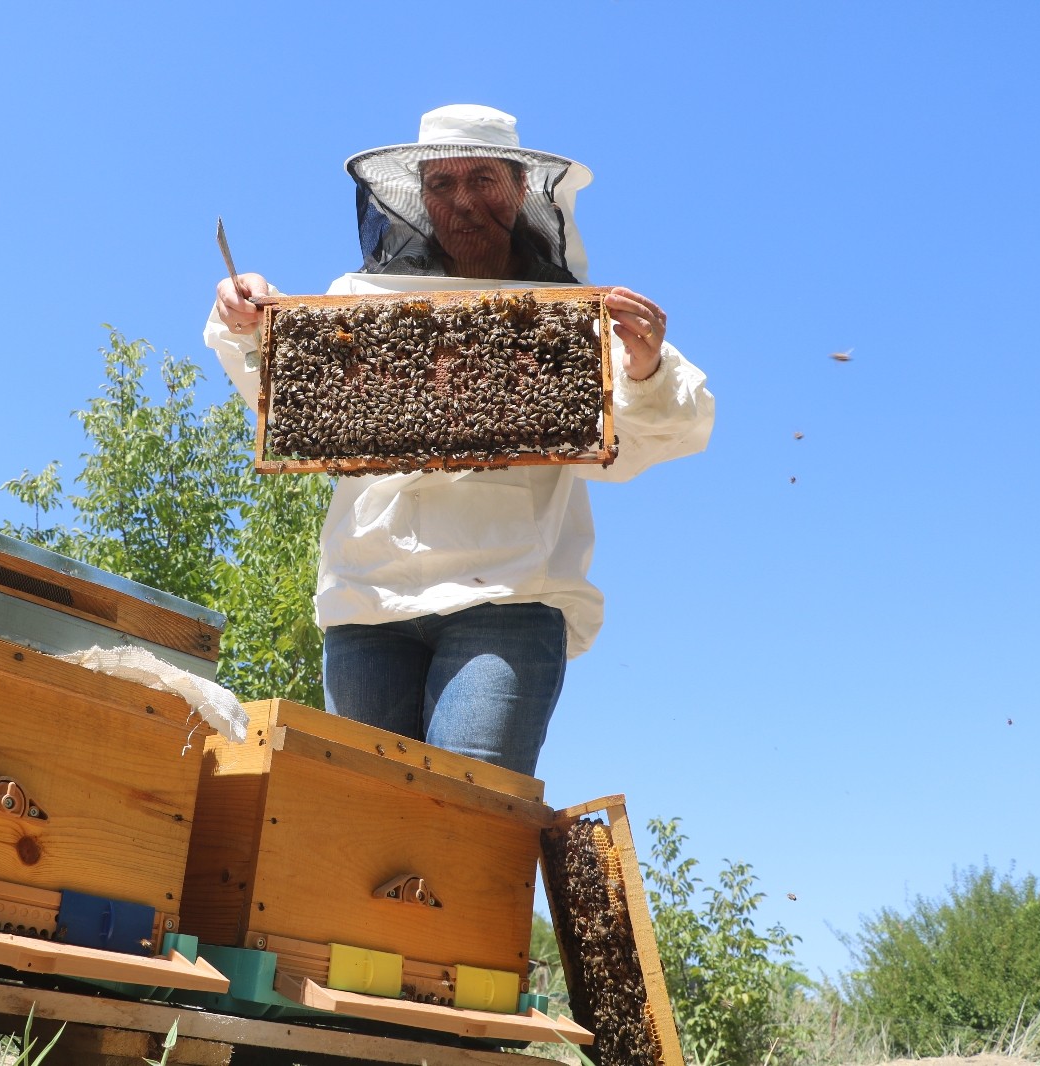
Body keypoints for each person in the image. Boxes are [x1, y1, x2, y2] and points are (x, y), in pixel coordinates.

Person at [205, 104, 714, 776]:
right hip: (368, 600)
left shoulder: (564, 317)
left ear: (523, 189)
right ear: (420, 199)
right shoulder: (362, 296)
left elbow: (662, 435)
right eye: (442, 186)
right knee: (366, 824)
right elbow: (290, 401)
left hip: (505, 598)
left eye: (482, 180)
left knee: (463, 816)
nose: (463, 201)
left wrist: (646, 369)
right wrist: (245, 322)